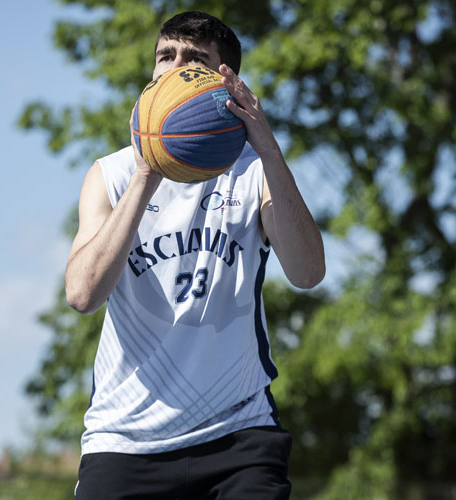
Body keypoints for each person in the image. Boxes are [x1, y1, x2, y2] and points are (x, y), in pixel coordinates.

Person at [64, 11, 325, 500]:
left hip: (238, 435)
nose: (175, 67)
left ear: (225, 81)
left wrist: (267, 147)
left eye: (195, 59)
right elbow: (81, 294)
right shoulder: (113, 174)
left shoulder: (254, 172)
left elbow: (308, 272)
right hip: (125, 440)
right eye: (166, 56)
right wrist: (147, 170)